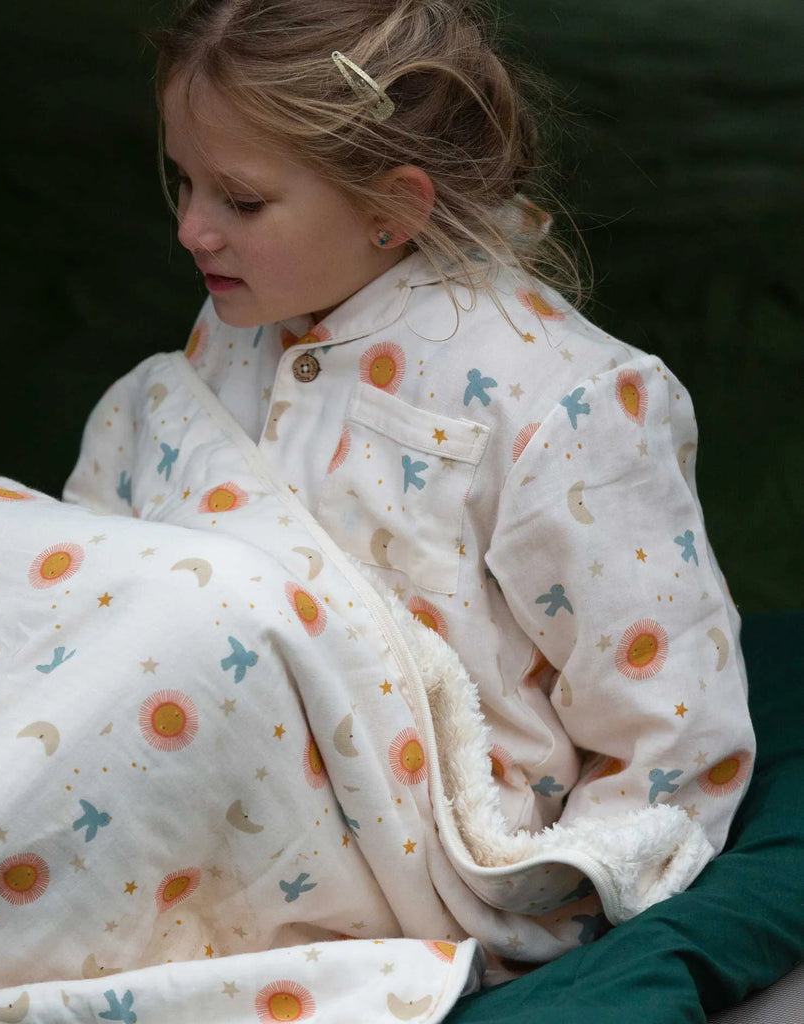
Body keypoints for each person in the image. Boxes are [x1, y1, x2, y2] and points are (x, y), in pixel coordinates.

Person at [66, 0, 754, 969]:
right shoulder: (239, 323)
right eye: (183, 180)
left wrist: (561, 895)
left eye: (241, 201)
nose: (191, 229)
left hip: (396, 854)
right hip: (187, 769)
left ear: (393, 207)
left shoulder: (561, 403)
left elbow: (673, 718)